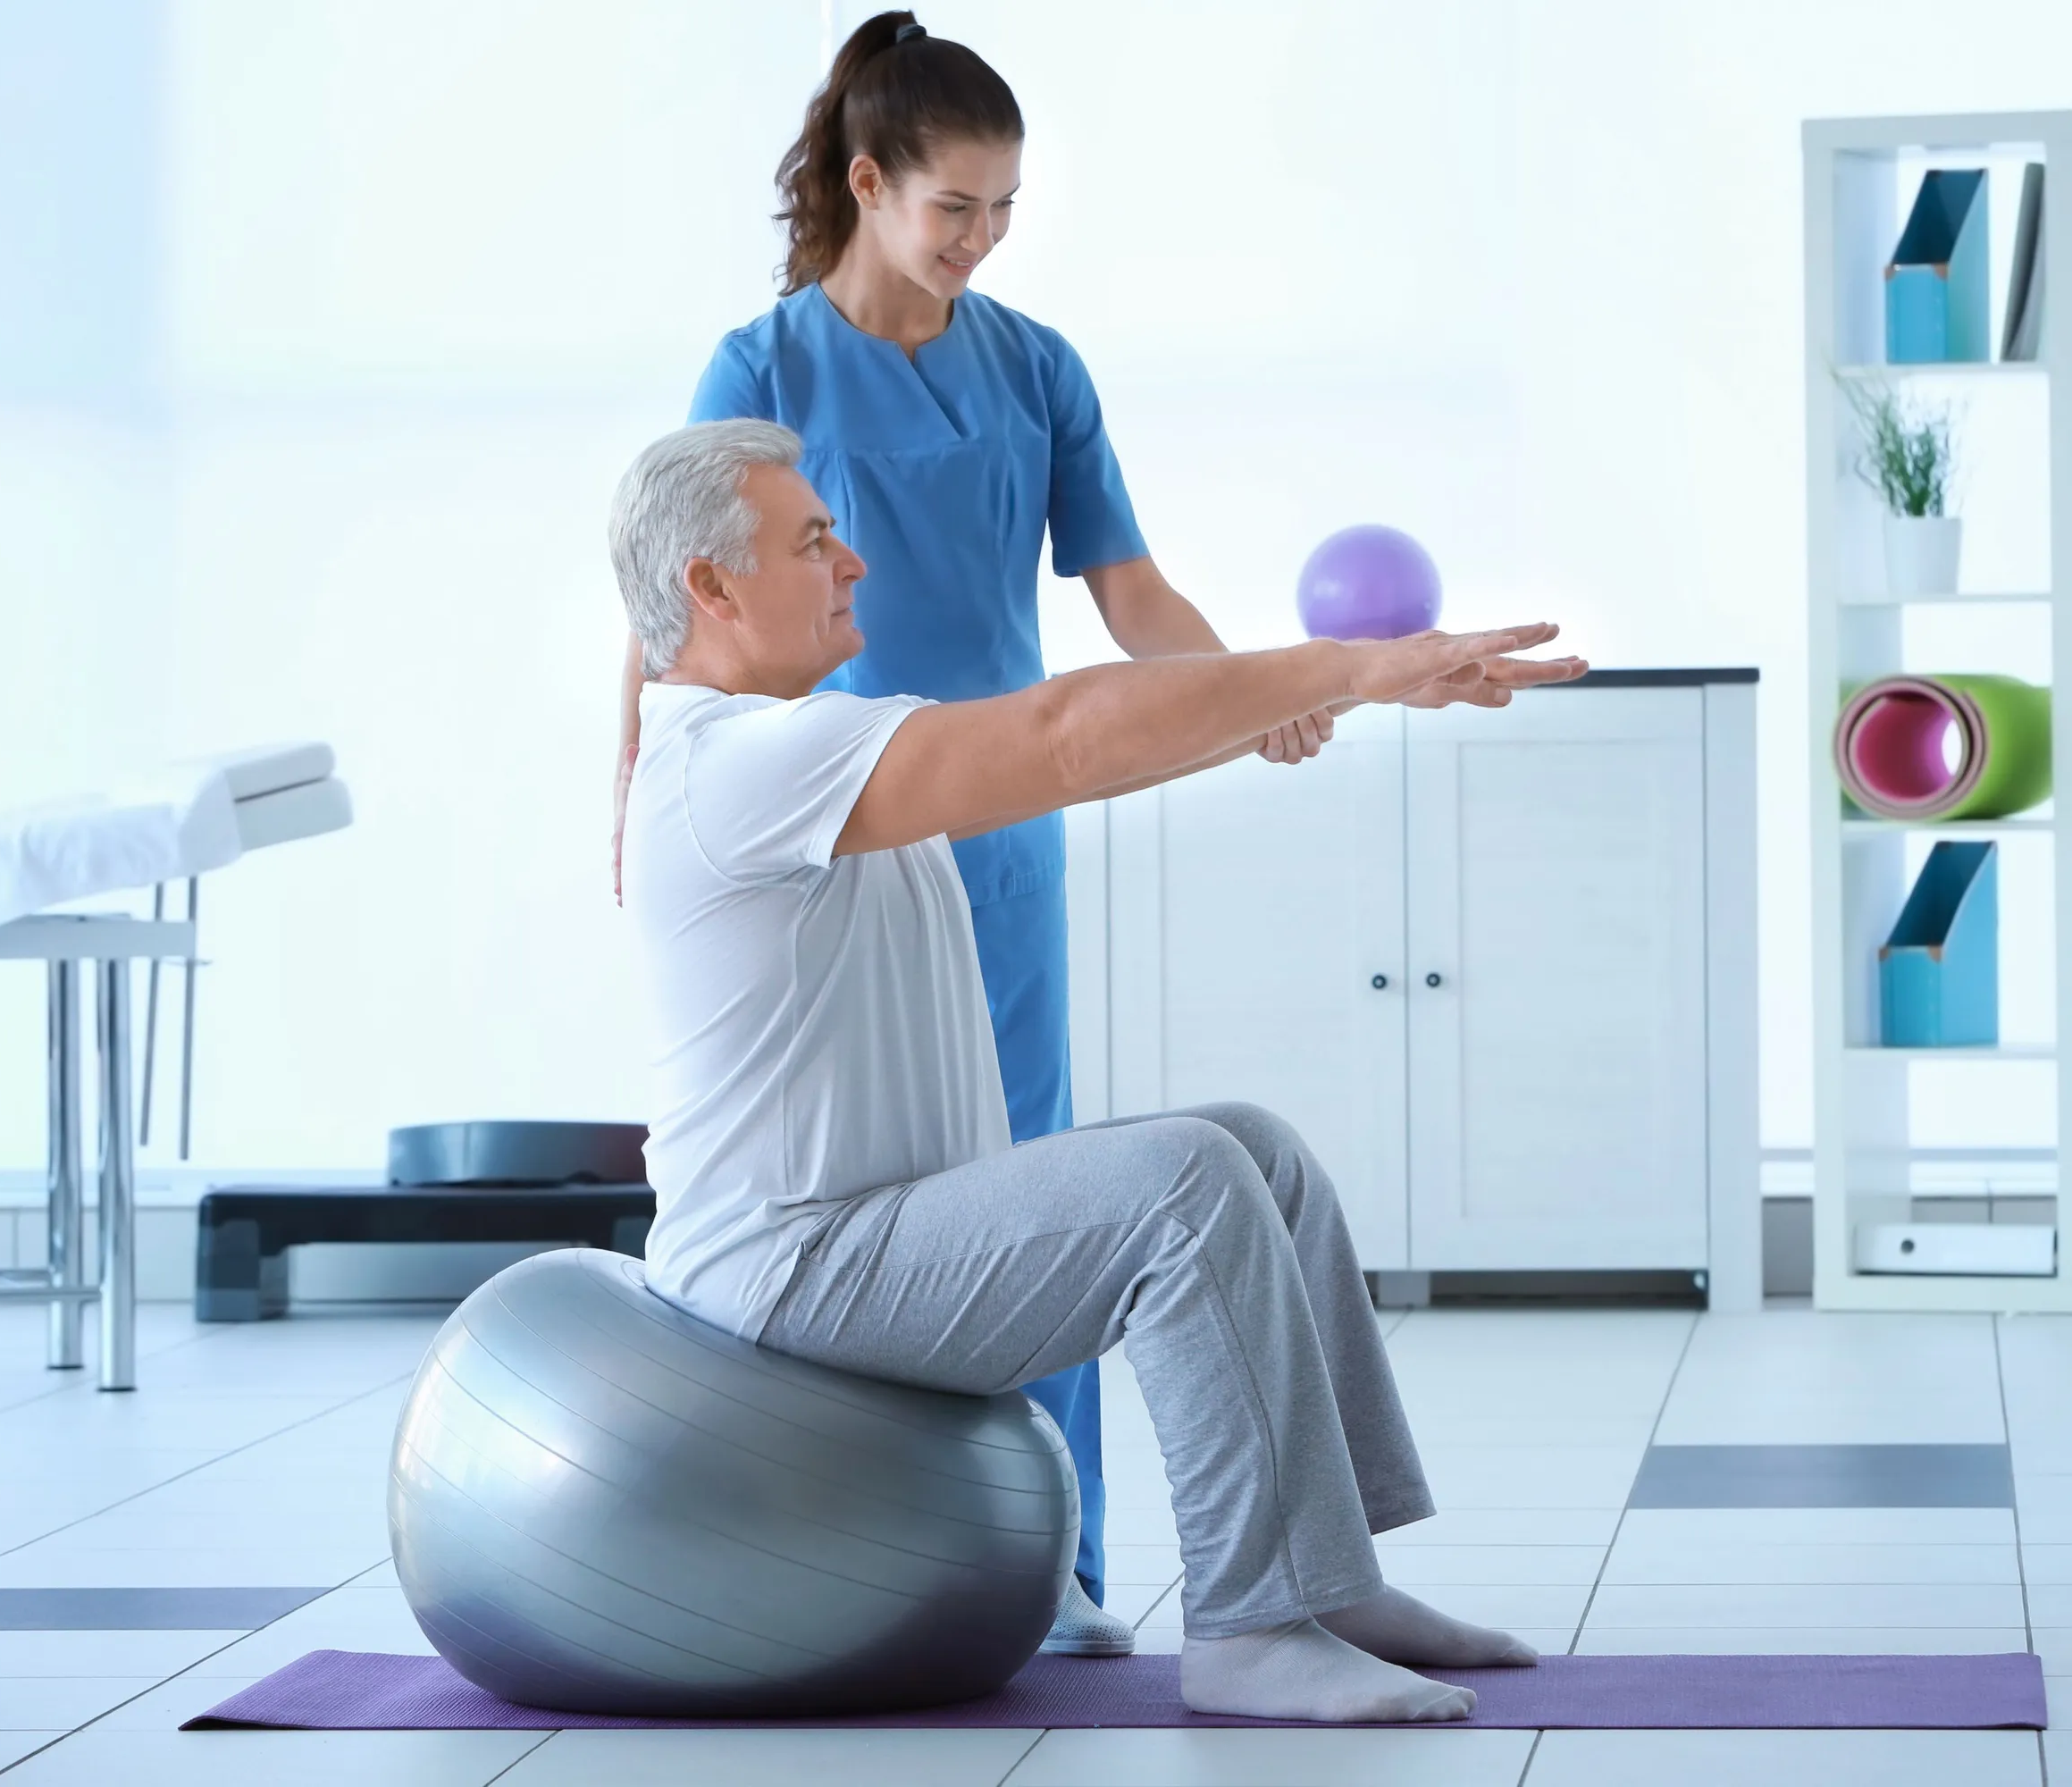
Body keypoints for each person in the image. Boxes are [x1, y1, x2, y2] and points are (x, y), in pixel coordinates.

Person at [610, 418, 1584, 1721]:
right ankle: (1249, 1627)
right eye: (812, 539)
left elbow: (1086, 760)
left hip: (878, 1231)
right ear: (711, 588)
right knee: (1183, 1182)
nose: (852, 562)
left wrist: (1324, 694)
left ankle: (1331, 1582)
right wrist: (1351, 663)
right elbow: (1065, 733)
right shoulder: (730, 766)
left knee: (1255, 1151)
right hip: (790, 1270)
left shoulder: (802, 746)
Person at [611, 10, 1332, 1656]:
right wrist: (630, 798)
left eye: (1005, 211)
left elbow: (1127, 588)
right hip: (826, 823)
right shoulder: (766, 368)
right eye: (953, 209)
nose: (979, 242)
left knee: (1038, 1181)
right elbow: (670, 595)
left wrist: (1240, 691)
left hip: (1000, 826)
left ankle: (1056, 1569)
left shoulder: (1036, 367)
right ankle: (869, 1540)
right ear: (867, 186)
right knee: (878, 1193)